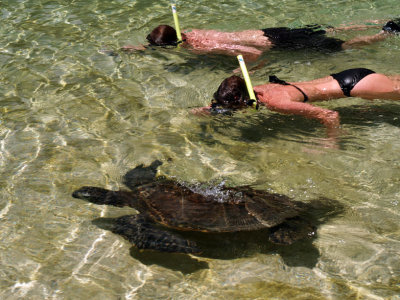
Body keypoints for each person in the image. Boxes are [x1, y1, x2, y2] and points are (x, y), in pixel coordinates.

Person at [195, 68, 400, 139]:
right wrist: (209, 109)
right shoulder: (257, 88)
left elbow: (330, 115)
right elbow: (231, 95)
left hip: (357, 86)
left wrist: (330, 140)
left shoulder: (277, 103)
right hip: (346, 76)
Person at [122, 20, 400, 61]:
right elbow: (168, 39)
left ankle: (386, 32)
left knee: (342, 47)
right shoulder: (190, 32)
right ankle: (375, 22)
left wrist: (242, 68)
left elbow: (249, 53)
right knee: (329, 29)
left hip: (277, 45)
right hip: (270, 31)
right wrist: (143, 48)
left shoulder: (204, 45)